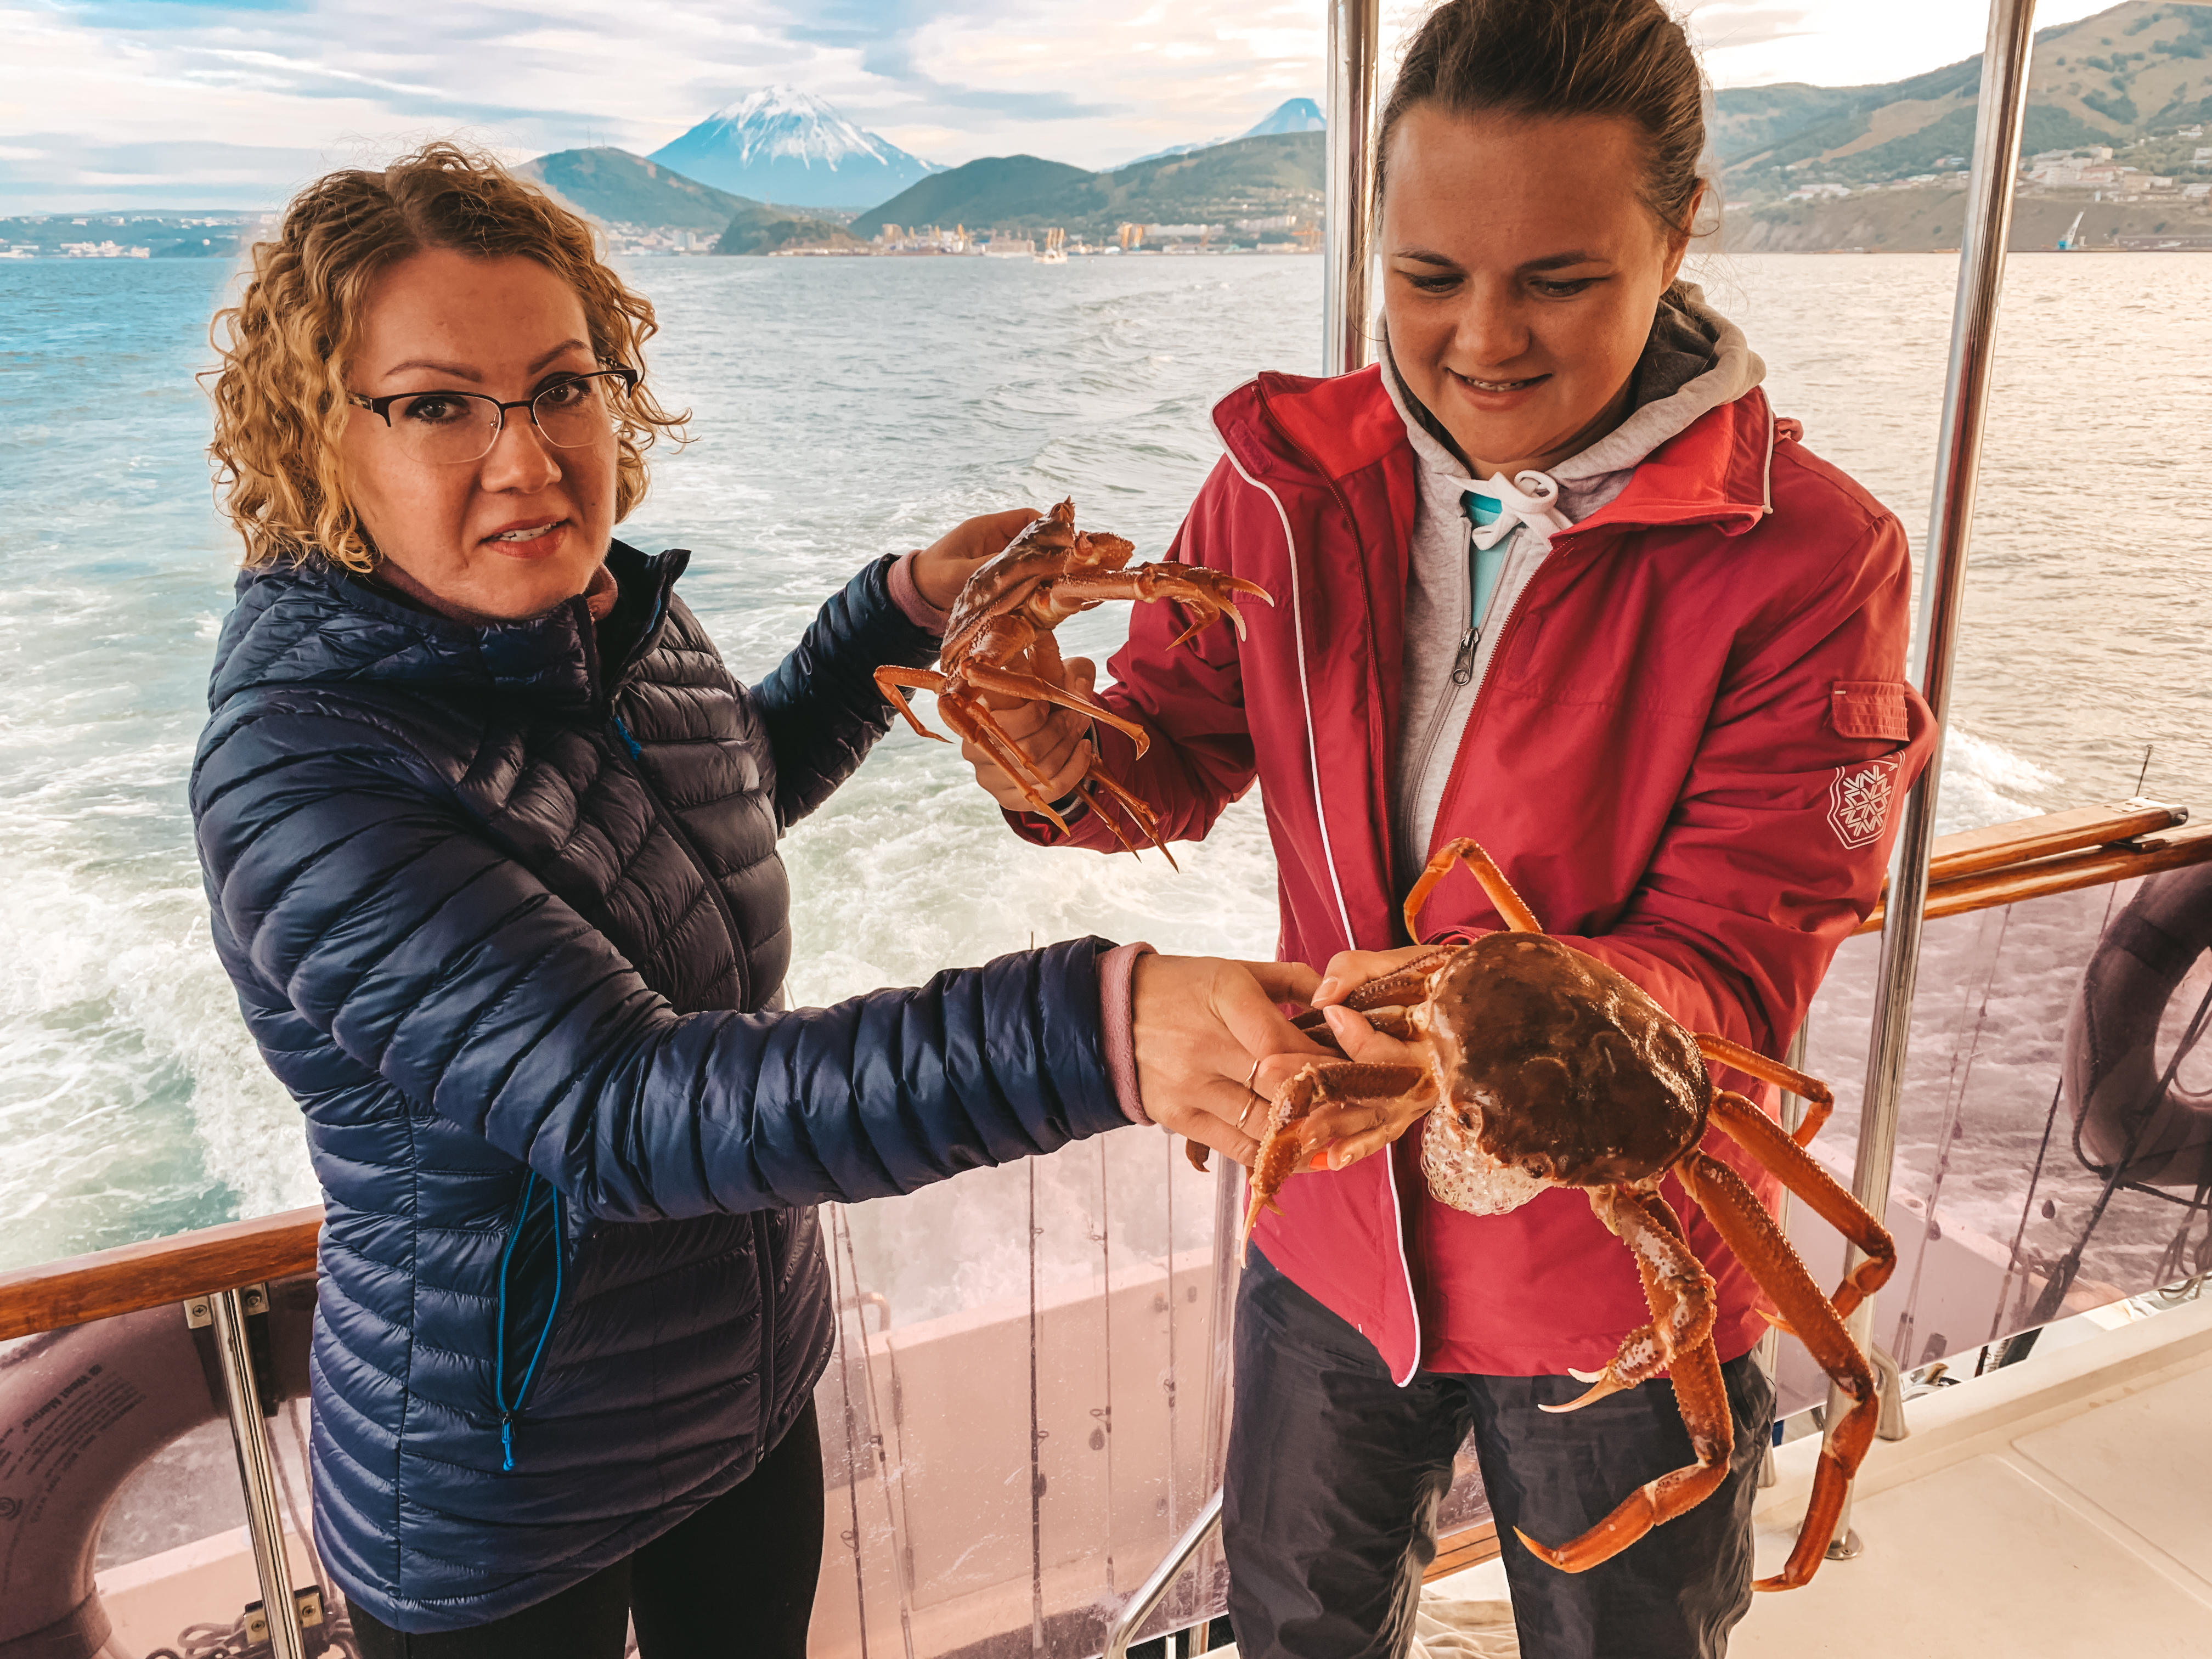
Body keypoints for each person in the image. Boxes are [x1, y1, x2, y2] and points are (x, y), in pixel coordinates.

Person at [191, 143, 1317, 1657]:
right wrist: (1093, 1030)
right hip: (500, 1490)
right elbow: (618, 1109)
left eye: (565, 386)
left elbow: (722, 806)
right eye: (441, 404)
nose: (527, 458)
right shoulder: (303, 769)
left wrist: (897, 613)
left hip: (736, 1393)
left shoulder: (603, 618)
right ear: (320, 436)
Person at [958, 2, 1937, 1654]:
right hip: (1330, 1231)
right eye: (1427, 278)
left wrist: (1479, 1019)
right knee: (1294, 1630)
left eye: (1558, 278)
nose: (1483, 339)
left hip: (1620, 1268)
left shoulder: (1810, 557)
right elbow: (1171, 760)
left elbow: (1740, 959)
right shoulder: (1282, 483)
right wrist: (1049, 756)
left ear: (1678, 231)